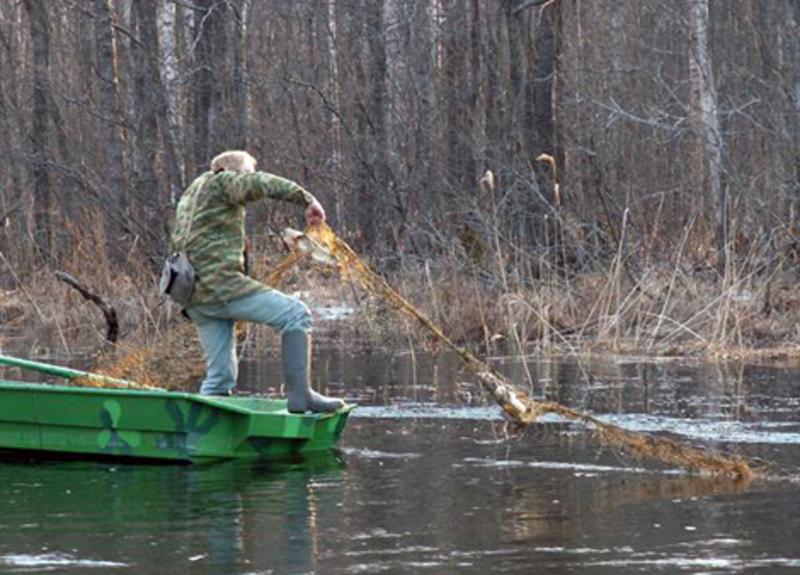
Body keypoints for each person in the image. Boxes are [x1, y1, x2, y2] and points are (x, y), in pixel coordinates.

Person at [171, 150, 345, 413]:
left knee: (218, 380)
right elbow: (259, 184)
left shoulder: (193, 192)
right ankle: (302, 398)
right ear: (236, 172)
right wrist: (306, 199)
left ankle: (206, 429)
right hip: (220, 287)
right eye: (248, 174)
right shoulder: (223, 181)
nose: (250, 181)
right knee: (297, 315)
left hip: (194, 295)